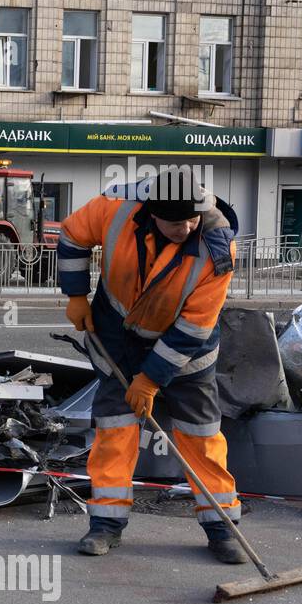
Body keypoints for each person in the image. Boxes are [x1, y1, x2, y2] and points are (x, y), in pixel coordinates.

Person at [58, 175, 245, 564]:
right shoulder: (114, 212)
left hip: (186, 356)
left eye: (194, 219)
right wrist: (75, 293)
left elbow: (194, 326)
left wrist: (150, 380)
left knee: (201, 436)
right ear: (152, 214)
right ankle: (105, 524)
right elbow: (73, 234)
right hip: (119, 342)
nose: (188, 227)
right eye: (177, 223)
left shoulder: (217, 249)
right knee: (115, 430)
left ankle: (222, 526)